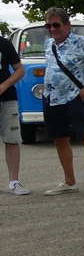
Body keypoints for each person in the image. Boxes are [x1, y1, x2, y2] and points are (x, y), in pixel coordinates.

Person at [41, 7, 84, 198]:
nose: (52, 29)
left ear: (67, 25)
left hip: (74, 98)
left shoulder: (82, 42)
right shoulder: (48, 44)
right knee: (59, 140)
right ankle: (69, 182)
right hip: (51, 98)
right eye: (48, 26)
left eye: (56, 25)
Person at [0, 35, 29, 195]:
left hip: (7, 99)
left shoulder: (4, 43)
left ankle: (14, 182)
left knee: (12, 139)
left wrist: (4, 85)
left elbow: (20, 70)